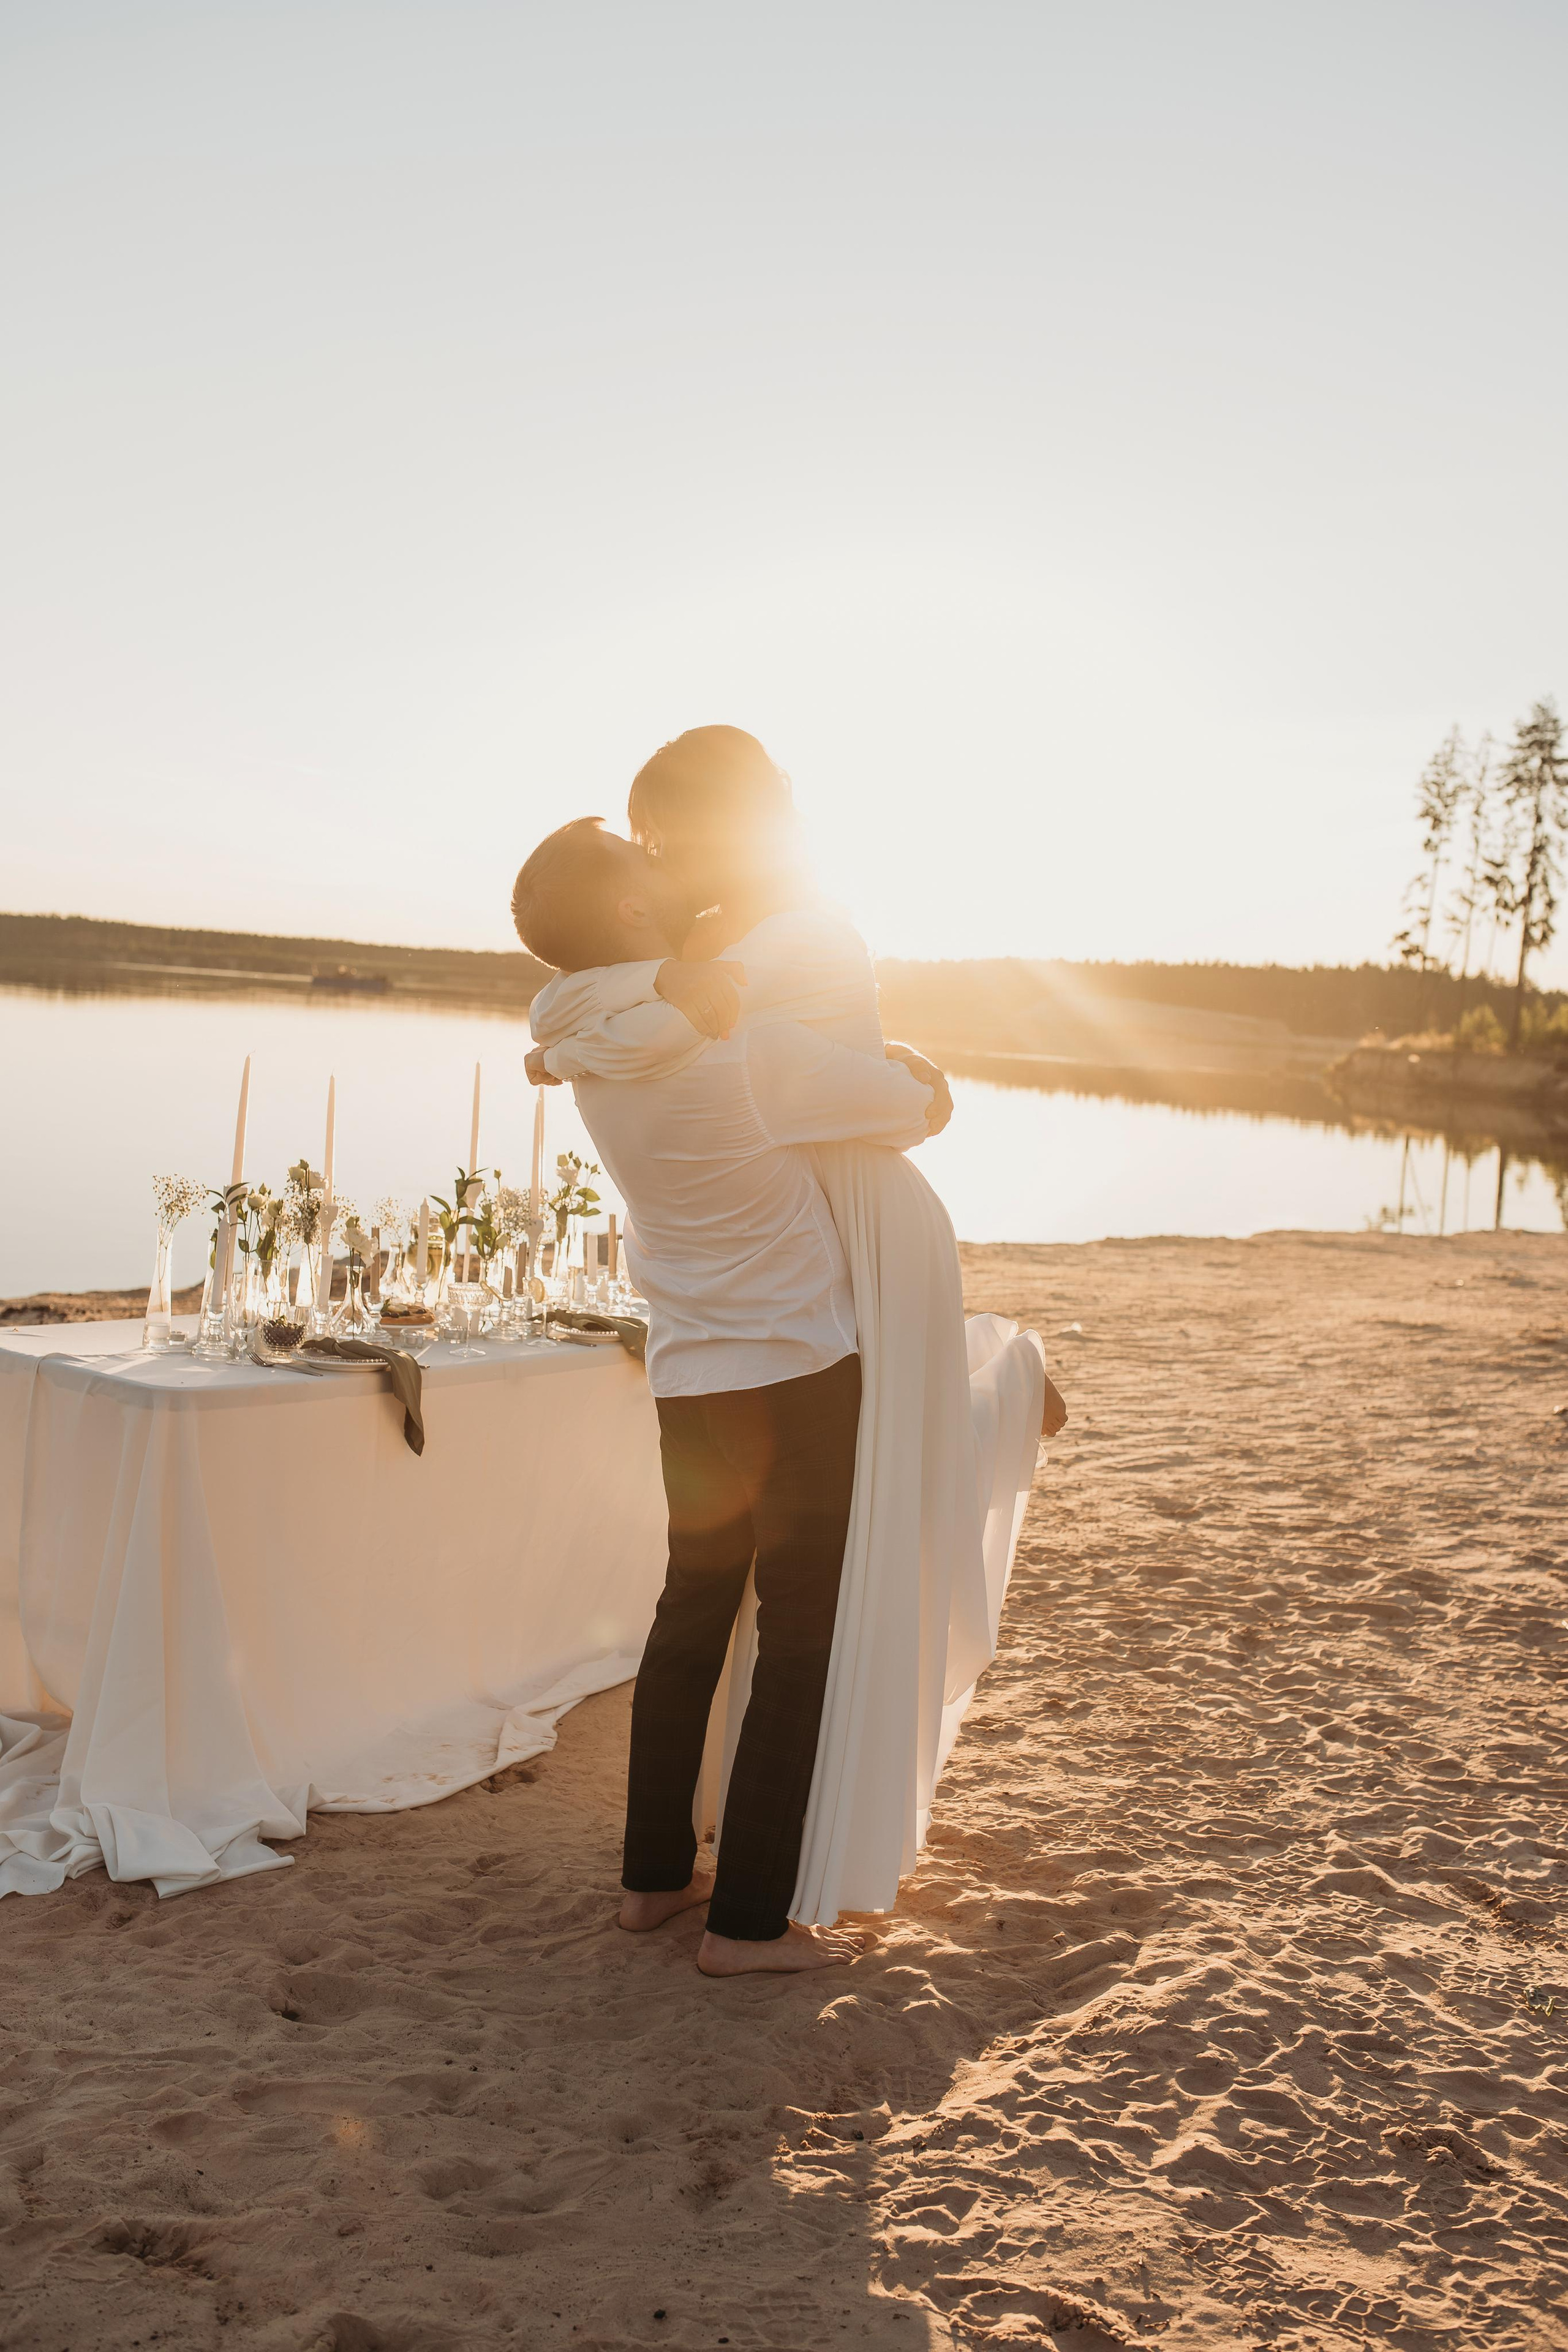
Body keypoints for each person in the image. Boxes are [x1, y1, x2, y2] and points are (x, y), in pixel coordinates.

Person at [522, 728, 1060, 1946]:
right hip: (796, 1366)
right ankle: (750, 1926)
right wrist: (921, 1091)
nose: (659, 862)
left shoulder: (587, 1034)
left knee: (690, 1615)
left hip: (687, 1366)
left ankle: (653, 1876)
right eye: (638, 850)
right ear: (625, 893)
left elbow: (565, 1022)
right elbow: (846, 1096)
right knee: (801, 1631)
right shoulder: (726, 1020)